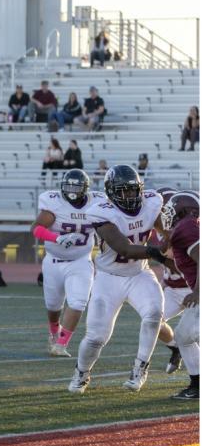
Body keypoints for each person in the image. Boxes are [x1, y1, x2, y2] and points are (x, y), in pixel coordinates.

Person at [68, 165, 168, 394]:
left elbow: (166, 232)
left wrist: (173, 244)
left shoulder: (152, 202)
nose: (131, 196)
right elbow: (124, 248)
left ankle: (140, 368)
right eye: (124, 191)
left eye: (134, 190)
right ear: (112, 193)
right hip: (108, 278)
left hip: (139, 273)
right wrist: (158, 254)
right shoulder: (101, 211)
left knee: (154, 314)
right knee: (96, 337)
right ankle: (81, 372)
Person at [31, 170, 105, 358]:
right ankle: (54, 333)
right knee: (53, 305)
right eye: (69, 186)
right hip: (54, 262)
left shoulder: (97, 202)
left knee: (79, 301)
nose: (71, 191)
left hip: (80, 261)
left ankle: (61, 344)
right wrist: (57, 238)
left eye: (76, 187)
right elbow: (36, 229)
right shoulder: (54, 202)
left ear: (85, 189)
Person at [159, 191, 200, 399]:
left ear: (183, 210)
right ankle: (197, 386)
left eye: (171, 208)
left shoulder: (187, 226)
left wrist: (198, 291)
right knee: (185, 335)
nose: (167, 213)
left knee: (186, 335)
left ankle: (197, 386)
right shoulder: (186, 227)